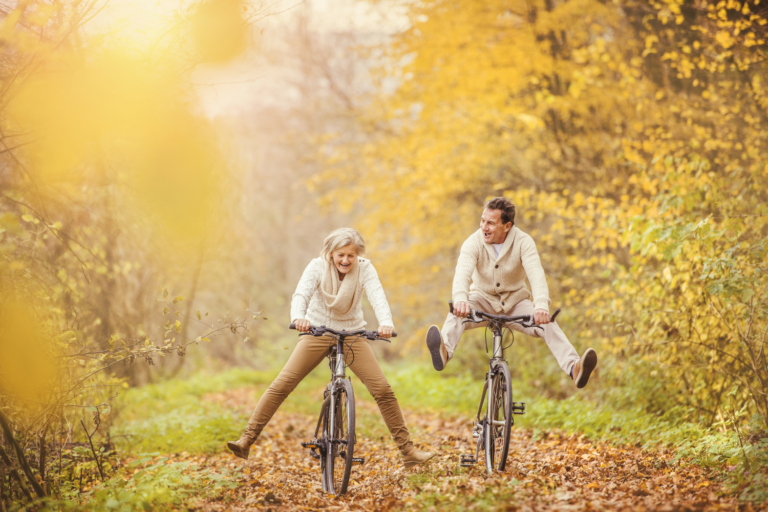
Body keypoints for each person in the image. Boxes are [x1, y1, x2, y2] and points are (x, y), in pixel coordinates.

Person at [227, 228, 435, 468]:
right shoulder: (316, 266)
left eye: (351, 255)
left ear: (358, 255)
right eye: (341, 255)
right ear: (330, 253)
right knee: (282, 384)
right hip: (317, 330)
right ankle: (246, 440)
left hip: (353, 333)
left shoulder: (365, 268)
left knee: (383, 389)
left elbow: (378, 296)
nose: (346, 260)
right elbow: (301, 295)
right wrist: (299, 317)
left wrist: (386, 322)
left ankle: (408, 451)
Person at [425, 197, 598, 388]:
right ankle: (444, 352)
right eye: (482, 221)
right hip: (481, 300)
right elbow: (462, 274)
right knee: (455, 316)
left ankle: (574, 367)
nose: (484, 227)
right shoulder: (473, 242)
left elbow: (536, 275)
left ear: (507, 226)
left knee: (548, 324)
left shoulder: (524, 242)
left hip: (516, 303)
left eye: (491, 223)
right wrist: (460, 300)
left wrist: (541, 306)